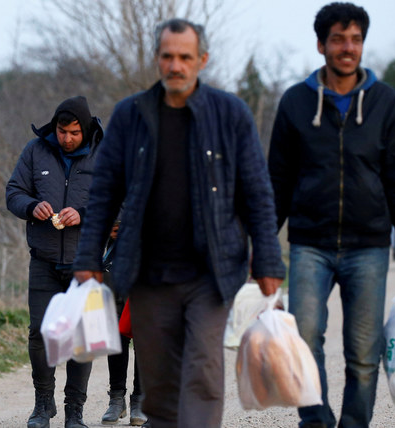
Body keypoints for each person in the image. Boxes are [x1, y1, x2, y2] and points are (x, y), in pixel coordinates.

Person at [72, 18, 286, 428]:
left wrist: (269, 261)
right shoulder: (130, 114)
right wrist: (88, 257)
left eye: (185, 57)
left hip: (211, 272)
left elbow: (257, 193)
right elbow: (103, 193)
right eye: (168, 56)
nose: (176, 65)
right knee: (162, 385)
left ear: (201, 60)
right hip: (149, 275)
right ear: (157, 59)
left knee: (204, 373)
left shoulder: (231, 115)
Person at [267, 3, 395, 427]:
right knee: (305, 339)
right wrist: (264, 245)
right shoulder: (295, 103)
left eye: (356, 39)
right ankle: (316, 421)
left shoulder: (385, 103)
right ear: (321, 44)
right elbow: (277, 182)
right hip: (309, 244)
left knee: (363, 353)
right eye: (339, 39)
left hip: (369, 247)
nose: (348, 48)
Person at [6, 96, 103, 428]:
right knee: (40, 333)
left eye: (74, 132)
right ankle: (42, 404)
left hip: (86, 263)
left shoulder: (104, 153)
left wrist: (85, 214)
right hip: (44, 260)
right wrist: (32, 206)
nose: (67, 139)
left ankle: (74, 411)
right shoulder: (36, 150)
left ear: (85, 129)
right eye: (62, 132)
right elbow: (14, 192)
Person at [100, 220, 147, 426]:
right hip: (115, 268)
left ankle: (140, 400)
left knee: (144, 337)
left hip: (148, 265)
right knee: (116, 335)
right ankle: (116, 399)